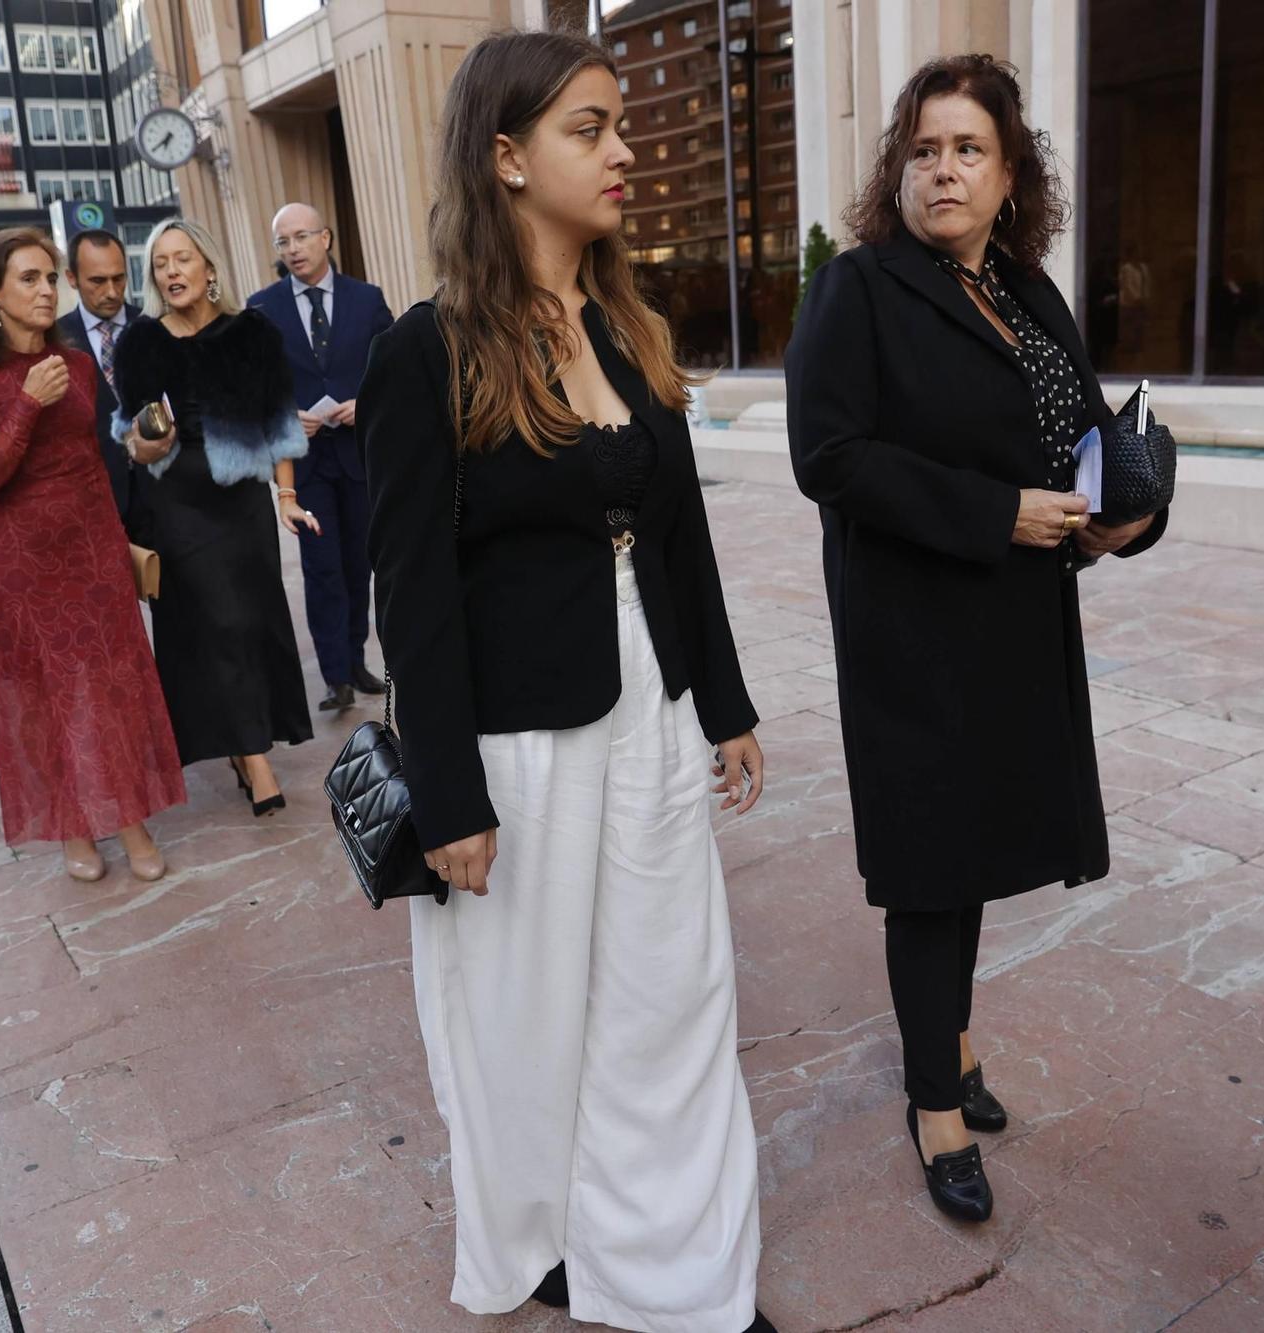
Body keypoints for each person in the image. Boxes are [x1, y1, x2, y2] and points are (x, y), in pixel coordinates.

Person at [360, 32, 773, 1332]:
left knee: (672, 996)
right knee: (522, 1026)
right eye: (589, 128)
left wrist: (727, 700)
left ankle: (682, 1279)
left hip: (650, 719)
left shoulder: (623, 324)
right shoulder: (424, 353)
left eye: (619, 126)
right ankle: (541, 1239)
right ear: (505, 155)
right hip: (518, 747)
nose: (623, 151)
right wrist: (448, 796)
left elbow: (680, 526)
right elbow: (411, 591)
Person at [785, 55, 1169, 1226]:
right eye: (923, 149)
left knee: (975, 851)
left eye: (967, 150)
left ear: (1009, 178)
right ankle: (934, 1106)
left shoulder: (1024, 289)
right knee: (928, 872)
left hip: (1010, 627)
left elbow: (1090, 429)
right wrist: (994, 510)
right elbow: (829, 458)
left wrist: (1131, 512)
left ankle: (946, 1046)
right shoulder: (856, 289)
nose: (942, 169)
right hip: (913, 630)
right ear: (896, 171)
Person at [0, 229, 184, 883]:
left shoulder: (78, 364)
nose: (47, 289)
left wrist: (140, 453)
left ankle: (131, 818)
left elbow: (95, 457)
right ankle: (74, 825)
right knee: (50, 693)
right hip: (22, 557)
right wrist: (25, 404)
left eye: (51, 277)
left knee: (111, 685)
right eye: (29, 278)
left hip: (92, 545)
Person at [112, 218, 316, 817]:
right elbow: (131, 435)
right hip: (176, 504)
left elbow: (279, 423)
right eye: (160, 264)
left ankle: (240, 741)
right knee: (217, 623)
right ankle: (255, 759)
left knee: (250, 622)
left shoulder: (251, 332)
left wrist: (286, 497)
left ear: (209, 268)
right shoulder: (141, 342)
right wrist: (143, 445)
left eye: (182, 260)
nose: (172, 272)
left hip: (244, 503)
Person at [249, 201, 393, 711]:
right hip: (304, 462)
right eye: (283, 242)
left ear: (325, 238)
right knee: (321, 566)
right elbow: (256, 389)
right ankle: (336, 676)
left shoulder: (367, 299)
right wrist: (289, 415)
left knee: (358, 565)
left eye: (301, 237)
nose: (293, 249)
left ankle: (356, 660)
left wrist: (367, 402)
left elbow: (392, 372)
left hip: (358, 458)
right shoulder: (261, 308)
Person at [53, 227, 140, 515]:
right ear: (72, 278)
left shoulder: (154, 326)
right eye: (98, 281)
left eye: (119, 278)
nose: (112, 291)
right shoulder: (54, 342)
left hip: (160, 501)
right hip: (93, 504)